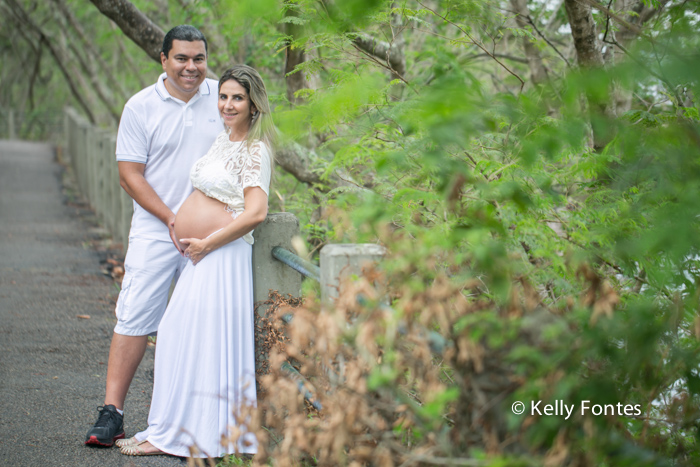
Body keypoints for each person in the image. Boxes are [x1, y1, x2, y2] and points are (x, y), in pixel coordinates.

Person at [116, 64, 275, 457]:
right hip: (203, 255)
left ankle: (189, 435)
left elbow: (255, 213)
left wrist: (207, 243)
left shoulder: (256, 150)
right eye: (223, 96)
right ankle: (168, 428)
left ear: (254, 104)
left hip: (221, 257)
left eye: (237, 97)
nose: (228, 104)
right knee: (178, 337)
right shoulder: (223, 141)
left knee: (196, 339)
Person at [84, 25, 223, 447]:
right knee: (135, 315)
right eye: (181, 58)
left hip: (213, 234)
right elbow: (129, 175)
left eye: (198, 58)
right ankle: (113, 413)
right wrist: (170, 218)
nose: (191, 67)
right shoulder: (140, 106)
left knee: (207, 320)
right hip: (155, 229)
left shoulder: (224, 99)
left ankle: (203, 421)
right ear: (163, 59)